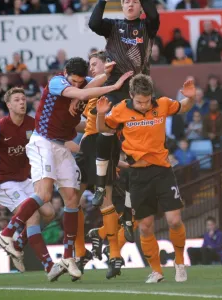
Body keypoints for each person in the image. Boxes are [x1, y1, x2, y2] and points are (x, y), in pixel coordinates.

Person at [0, 57, 132, 281]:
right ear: (65, 72)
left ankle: (69, 257)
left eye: (80, 81)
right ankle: (7, 233)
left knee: (71, 199)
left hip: (61, 146)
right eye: (74, 81)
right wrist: (113, 85)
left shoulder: (83, 81)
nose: (77, 84)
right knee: (45, 194)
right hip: (43, 142)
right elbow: (83, 94)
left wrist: (107, 74)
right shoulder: (57, 82)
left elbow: (90, 83)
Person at [96, 74, 196, 283]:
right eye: (139, 101)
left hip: (163, 171)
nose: (143, 105)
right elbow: (103, 128)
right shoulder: (121, 110)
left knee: (174, 220)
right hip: (137, 176)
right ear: (131, 95)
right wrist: (100, 114)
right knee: (145, 226)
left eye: (147, 100)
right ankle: (157, 271)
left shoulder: (162, 104)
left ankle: (179, 263)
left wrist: (191, 97)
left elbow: (184, 106)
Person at [0, 87, 59, 280]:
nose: (22, 102)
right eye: (17, 100)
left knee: (50, 213)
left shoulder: (33, 123)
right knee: (32, 215)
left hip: (25, 180)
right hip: (3, 182)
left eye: (24, 99)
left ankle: (17, 245)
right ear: (9, 105)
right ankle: (49, 266)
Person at [88, 0, 160, 206]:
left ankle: (130, 207)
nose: (130, 4)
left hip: (138, 92)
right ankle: (100, 185)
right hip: (115, 88)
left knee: (134, 151)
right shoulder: (113, 26)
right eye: (126, 1)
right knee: (105, 131)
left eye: (134, 1)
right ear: (121, 6)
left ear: (140, 6)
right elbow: (93, 24)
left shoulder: (147, 26)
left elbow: (154, 15)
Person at [72, 51, 134, 280]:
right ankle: (83, 251)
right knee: (72, 197)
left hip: (102, 145)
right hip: (89, 145)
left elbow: (108, 125)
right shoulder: (94, 89)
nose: (91, 69)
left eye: (94, 64)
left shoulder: (112, 90)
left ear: (106, 65)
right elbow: (87, 124)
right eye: (89, 64)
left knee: (115, 204)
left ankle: (112, 253)